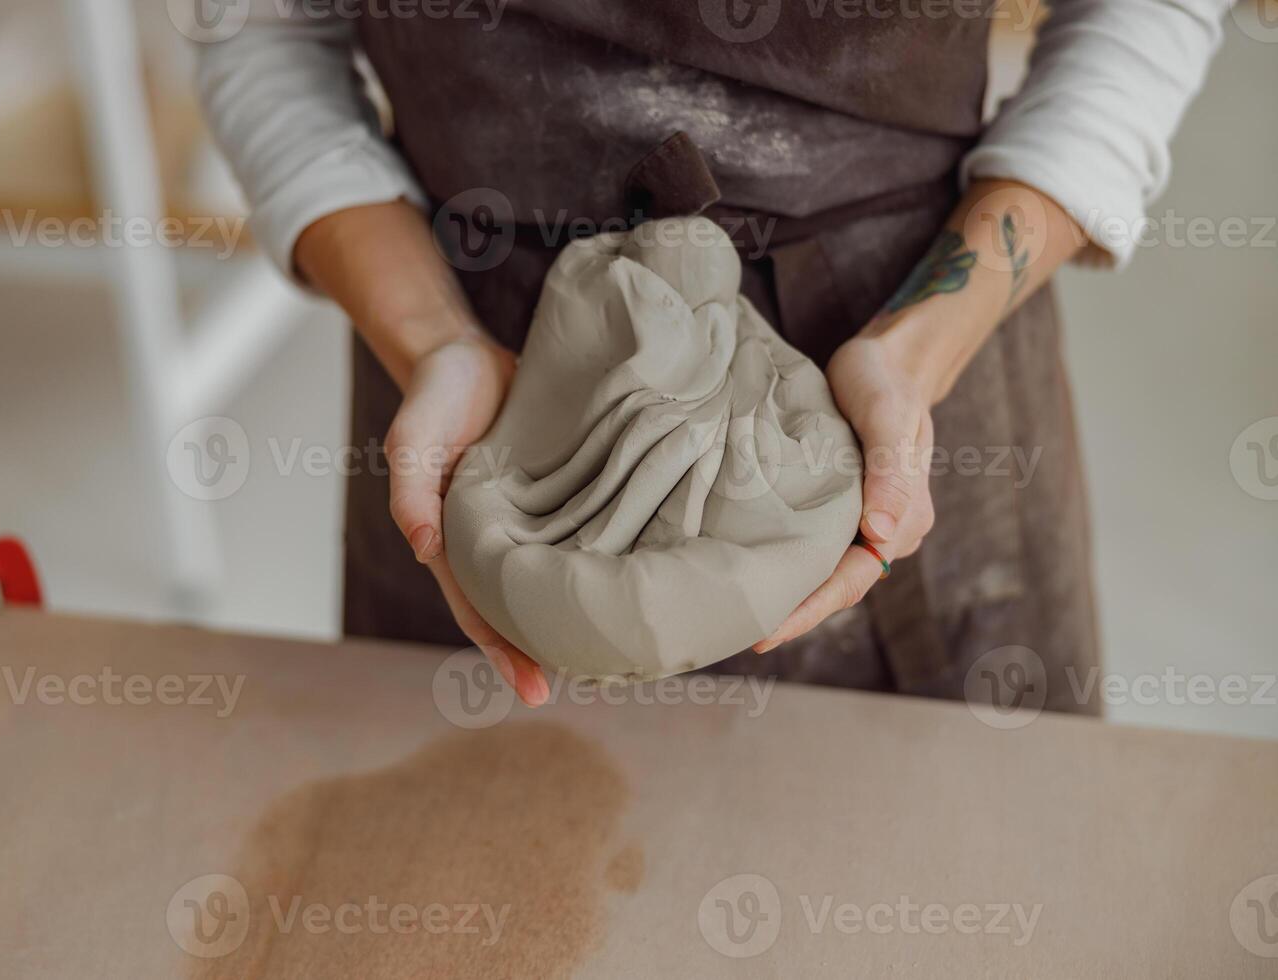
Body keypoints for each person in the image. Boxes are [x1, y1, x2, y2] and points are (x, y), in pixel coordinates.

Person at [197, 0, 1229, 708]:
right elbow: (258, 28)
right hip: (460, 356)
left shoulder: (910, 361)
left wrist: (920, 346)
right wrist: (433, 345)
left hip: (906, 353)